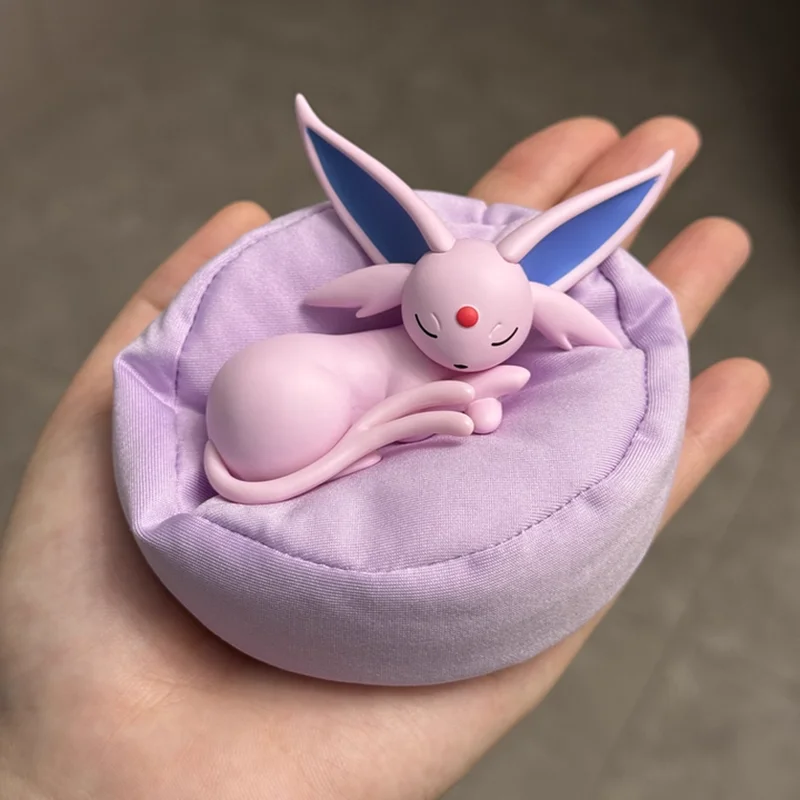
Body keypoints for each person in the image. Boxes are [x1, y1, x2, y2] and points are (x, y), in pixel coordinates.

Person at [0, 113, 768, 799]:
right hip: (281, 417)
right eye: (434, 327)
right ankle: (331, 448)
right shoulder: (389, 360)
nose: (460, 351)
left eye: (497, 335)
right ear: (404, 300)